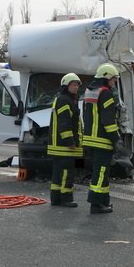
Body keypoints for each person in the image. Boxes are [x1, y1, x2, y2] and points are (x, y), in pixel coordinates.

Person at [82, 63, 120, 215]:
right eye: (114, 79)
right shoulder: (106, 94)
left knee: (101, 172)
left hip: (90, 139)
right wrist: (116, 139)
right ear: (107, 78)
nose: (114, 82)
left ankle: (103, 202)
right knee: (101, 172)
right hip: (102, 140)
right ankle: (96, 204)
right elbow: (108, 120)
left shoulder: (90, 91)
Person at [47, 73, 83, 208]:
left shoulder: (64, 99)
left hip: (59, 146)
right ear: (66, 86)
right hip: (64, 147)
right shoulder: (65, 100)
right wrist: (70, 141)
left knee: (58, 173)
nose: (75, 87)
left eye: (77, 85)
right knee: (67, 173)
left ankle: (56, 199)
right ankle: (66, 198)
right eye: (73, 85)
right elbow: (64, 123)